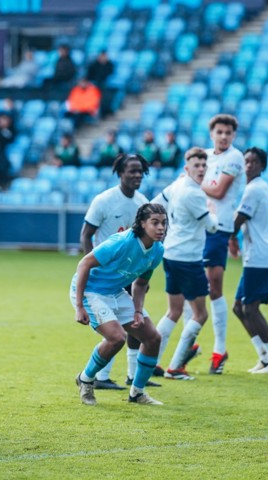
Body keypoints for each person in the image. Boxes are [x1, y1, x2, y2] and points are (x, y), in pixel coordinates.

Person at [73, 203, 168, 406]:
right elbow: (84, 264)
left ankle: (137, 393)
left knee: (153, 338)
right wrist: (79, 305)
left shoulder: (157, 251)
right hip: (91, 291)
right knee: (117, 338)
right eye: (155, 223)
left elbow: (141, 283)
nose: (161, 228)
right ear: (142, 224)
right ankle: (86, 379)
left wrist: (138, 310)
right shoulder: (122, 242)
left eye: (163, 223)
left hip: (115, 291)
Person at [80, 154, 151, 391]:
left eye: (140, 171)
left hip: (130, 271)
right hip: (105, 275)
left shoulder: (142, 203)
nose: (137, 175)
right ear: (120, 173)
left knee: (136, 324)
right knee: (115, 330)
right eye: (132, 171)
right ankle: (101, 376)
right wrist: (92, 265)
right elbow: (86, 234)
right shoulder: (104, 200)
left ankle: (132, 374)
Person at [151, 147, 218, 379]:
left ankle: (151, 361)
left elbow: (155, 203)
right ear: (187, 168)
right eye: (196, 166)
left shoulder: (177, 185)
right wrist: (212, 210)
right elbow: (212, 226)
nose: (201, 169)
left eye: (203, 165)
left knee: (174, 311)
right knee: (200, 315)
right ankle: (176, 366)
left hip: (170, 254)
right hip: (189, 259)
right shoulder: (195, 194)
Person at [228, 147, 268, 374]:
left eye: (255, 162)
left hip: (260, 254)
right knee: (239, 308)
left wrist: (226, 237)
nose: (249, 165)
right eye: (246, 161)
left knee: (250, 308)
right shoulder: (259, 188)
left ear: (262, 166)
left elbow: (238, 220)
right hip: (257, 253)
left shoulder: (254, 189)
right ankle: (265, 357)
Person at [200, 114, 244, 374]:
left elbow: (219, 192)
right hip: (199, 226)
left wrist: (192, 180)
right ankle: (188, 345)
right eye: (220, 132)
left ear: (233, 135)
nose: (224, 136)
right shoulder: (206, 156)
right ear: (212, 133)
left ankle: (220, 348)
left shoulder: (234, 157)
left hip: (219, 228)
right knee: (188, 288)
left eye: (228, 132)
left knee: (214, 288)